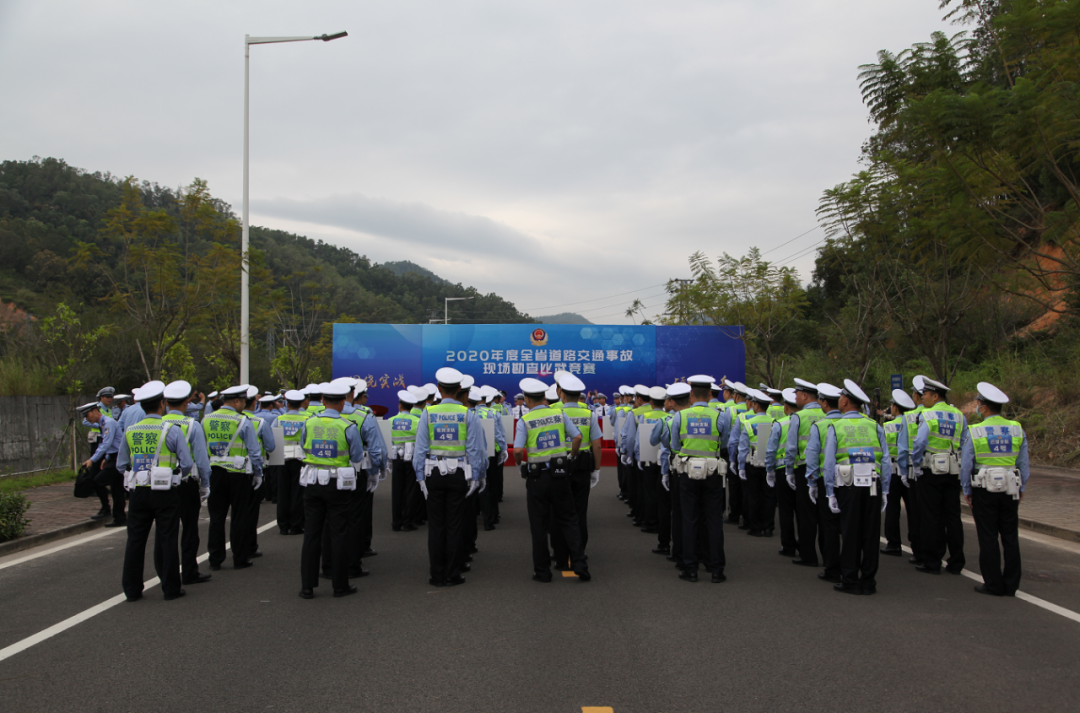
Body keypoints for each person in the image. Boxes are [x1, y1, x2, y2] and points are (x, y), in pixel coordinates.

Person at [115, 381, 194, 602]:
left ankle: (131, 590)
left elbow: (121, 465)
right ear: (162, 404)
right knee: (167, 538)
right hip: (165, 490)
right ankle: (170, 588)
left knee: (135, 540)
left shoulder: (131, 431)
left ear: (142, 407)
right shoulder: (172, 430)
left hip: (139, 491)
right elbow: (187, 463)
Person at [412, 368, 485, 587]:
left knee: (436, 526)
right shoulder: (467, 414)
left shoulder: (428, 413)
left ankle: (436, 574)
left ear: (439, 389)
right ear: (460, 389)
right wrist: (478, 476)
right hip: (459, 474)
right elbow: (475, 449)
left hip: (433, 473)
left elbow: (420, 449)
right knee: (454, 524)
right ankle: (452, 574)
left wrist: (419, 477)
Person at [514, 377, 591, 582]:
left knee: (539, 525)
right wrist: (570, 458)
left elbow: (518, 450)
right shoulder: (559, 413)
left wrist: (521, 465)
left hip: (537, 478)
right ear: (545, 398)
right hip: (560, 475)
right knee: (569, 519)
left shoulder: (525, 420)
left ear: (527, 399)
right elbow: (577, 438)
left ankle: (542, 571)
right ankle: (580, 563)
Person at [297, 379, 366, 599]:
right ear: (344, 400)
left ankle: (307, 587)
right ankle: (339, 585)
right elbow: (356, 456)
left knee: (312, 534)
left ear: (323, 400)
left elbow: (302, 445)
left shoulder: (308, 423)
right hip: (338, 485)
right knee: (339, 534)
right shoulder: (348, 426)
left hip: (313, 482)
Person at [823, 380, 891, 595]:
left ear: (844, 401)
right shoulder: (874, 425)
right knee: (870, 533)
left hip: (848, 484)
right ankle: (869, 581)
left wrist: (829, 492)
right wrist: (886, 489)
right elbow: (886, 460)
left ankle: (850, 579)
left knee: (850, 532)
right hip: (873, 483)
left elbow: (829, 463)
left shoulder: (837, 426)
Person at [962, 382, 1029, 596]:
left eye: (978, 404)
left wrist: (967, 490)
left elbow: (966, 465)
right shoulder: (1016, 428)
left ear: (984, 407)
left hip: (984, 489)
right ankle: (1011, 584)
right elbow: (1023, 463)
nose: (977, 408)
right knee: (1010, 536)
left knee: (988, 536)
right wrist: (1023, 487)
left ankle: (992, 583)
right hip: (1010, 488)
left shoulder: (976, 430)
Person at [669, 375, 731, 583]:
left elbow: (675, 445)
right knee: (714, 520)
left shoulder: (681, 416)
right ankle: (716, 570)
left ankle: (690, 569)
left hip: (688, 473)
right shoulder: (720, 416)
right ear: (710, 393)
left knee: (689, 519)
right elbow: (724, 444)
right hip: (713, 473)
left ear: (692, 394)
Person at [910, 376, 968, 575]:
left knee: (930, 516)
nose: (922, 397)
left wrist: (916, 463)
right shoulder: (959, 415)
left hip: (931, 470)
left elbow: (919, 443)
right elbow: (965, 442)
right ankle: (956, 561)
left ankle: (932, 561)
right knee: (952, 516)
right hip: (953, 471)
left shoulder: (928, 415)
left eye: (925, 394)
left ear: (935, 396)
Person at [204, 385, 264, 570]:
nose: (244, 405)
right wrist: (258, 473)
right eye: (243, 402)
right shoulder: (243, 421)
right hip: (238, 474)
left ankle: (215, 559)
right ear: (236, 402)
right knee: (239, 516)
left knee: (216, 517)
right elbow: (254, 451)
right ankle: (240, 558)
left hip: (215, 472)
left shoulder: (206, 420)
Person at [162, 380, 213, 586]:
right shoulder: (193, 425)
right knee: (190, 529)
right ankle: (189, 571)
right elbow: (201, 460)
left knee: (167, 531)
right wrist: (205, 485)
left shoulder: (159, 423)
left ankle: (166, 573)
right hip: (187, 482)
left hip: (163, 483)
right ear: (186, 402)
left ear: (165, 403)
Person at [551, 373, 601, 566]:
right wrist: (596, 469)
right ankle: (579, 551)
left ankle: (559, 554)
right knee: (579, 510)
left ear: (561, 393)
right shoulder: (589, 414)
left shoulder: (553, 413)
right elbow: (596, 445)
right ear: (580, 395)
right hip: (582, 466)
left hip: (558, 465)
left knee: (558, 511)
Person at [804, 383, 845, 583]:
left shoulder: (819, 426)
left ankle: (832, 567)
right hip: (849, 480)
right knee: (848, 525)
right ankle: (850, 564)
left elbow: (812, 457)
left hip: (823, 479)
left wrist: (811, 481)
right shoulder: (848, 424)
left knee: (827, 525)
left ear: (824, 403)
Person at [786, 378, 825, 567]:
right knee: (825, 514)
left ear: (804, 396)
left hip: (803, 469)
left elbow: (791, 448)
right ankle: (829, 557)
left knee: (806, 514)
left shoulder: (798, 417)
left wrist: (788, 470)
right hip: (826, 469)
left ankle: (808, 554)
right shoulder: (827, 414)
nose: (795, 397)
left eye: (796, 394)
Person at [653, 383, 690, 561]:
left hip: (672, 468)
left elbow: (664, 444)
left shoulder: (667, 421)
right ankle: (691, 551)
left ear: (672, 402)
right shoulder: (713, 416)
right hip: (701, 469)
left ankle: (666, 544)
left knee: (668, 509)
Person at [242, 386, 277, 561]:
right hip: (250, 470)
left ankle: (216, 557)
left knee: (225, 514)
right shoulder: (259, 423)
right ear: (253, 402)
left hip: (221, 471)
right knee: (249, 511)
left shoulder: (213, 420)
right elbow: (270, 446)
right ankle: (248, 547)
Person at [880, 389, 917, 556]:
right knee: (913, 509)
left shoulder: (887, 426)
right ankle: (917, 545)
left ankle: (893, 543)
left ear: (895, 407)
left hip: (894, 472)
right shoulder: (914, 423)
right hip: (911, 471)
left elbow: (882, 451)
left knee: (893, 509)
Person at [737, 388, 777, 537]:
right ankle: (768, 527)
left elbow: (742, 448)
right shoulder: (774, 422)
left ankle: (755, 526)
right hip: (769, 463)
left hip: (752, 463)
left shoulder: (748, 423)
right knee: (769, 496)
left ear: (756, 405)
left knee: (753, 495)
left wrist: (741, 466)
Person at [78, 401, 125, 526]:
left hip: (118, 458)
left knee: (98, 481)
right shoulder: (103, 423)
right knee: (117, 489)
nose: (87, 419)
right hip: (114, 457)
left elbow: (106, 444)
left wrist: (92, 459)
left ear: (94, 411)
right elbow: (113, 443)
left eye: (87, 415)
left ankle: (107, 509)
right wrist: (107, 458)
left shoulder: (108, 423)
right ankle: (119, 517)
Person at [766, 388, 799, 557]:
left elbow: (771, 450)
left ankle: (788, 546)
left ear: (786, 407)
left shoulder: (781, 424)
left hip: (781, 468)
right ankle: (804, 544)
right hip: (802, 469)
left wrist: (769, 469)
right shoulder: (807, 422)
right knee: (802, 511)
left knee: (786, 510)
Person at [275, 389, 311, 535]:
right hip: (299, 458)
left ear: (287, 404)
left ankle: (283, 526)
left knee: (282, 492)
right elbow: (306, 442)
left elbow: (273, 441)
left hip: (281, 458)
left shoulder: (278, 419)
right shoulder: (306, 420)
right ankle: (296, 525)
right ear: (301, 403)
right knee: (297, 492)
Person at [389, 389, 422, 532]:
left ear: (400, 406)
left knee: (397, 490)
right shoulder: (417, 421)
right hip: (412, 458)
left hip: (396, 458)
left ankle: (396, 522)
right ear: (412, 407)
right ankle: (408, 522)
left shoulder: (390, 421)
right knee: (410, 490)